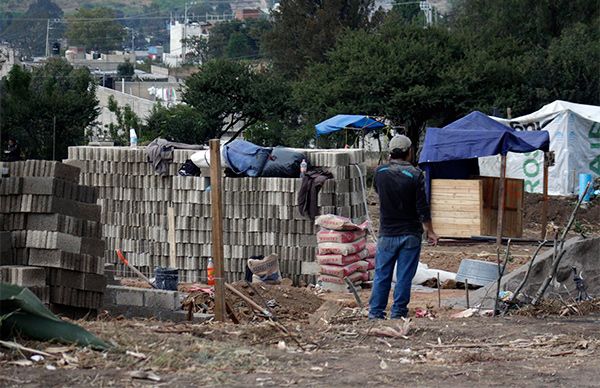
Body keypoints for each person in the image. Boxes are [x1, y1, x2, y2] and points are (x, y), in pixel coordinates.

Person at [369, 134, 438, 319]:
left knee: (382, 275)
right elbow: (422, 207)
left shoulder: (379, 172)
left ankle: (375, 313)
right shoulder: (416, 175)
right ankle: (398, 312)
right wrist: (430, 231)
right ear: (409, 152)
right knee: (404, 277)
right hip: (410, 234)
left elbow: (378, 191)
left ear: (391, 152)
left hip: (387, 233)